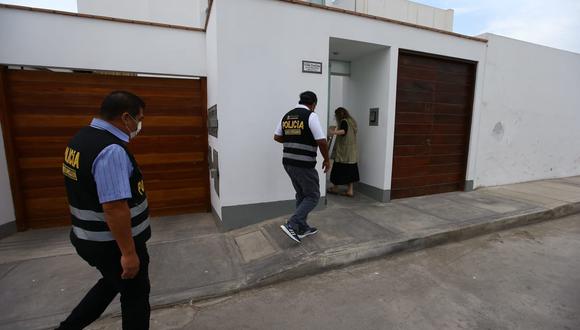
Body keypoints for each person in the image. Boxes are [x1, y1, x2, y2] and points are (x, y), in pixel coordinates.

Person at [57, 91, 151, 330]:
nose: (138, 125)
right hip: (111, 243)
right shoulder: (111, 150)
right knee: (136, 298)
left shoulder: (80, 139)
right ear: (126, 117)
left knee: (112, 283)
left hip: (87, 238)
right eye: (138, 119)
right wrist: (129, 254)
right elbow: (114, 208)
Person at [274, 91, 330, 243]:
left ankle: (302, 227)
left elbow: (277, 137)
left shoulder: (287, 116)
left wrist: (293, 139)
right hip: (303, 163)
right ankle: (292, 224)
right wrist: (327, 159)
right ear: (313, 104)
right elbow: (322, 141)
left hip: (288, 162)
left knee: (301, 194)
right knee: (313, 195)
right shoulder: (311, 116)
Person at [328, 107, 360, 197]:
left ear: (339, 115)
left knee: (337, 170)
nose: (335, 117)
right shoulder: (352, 121)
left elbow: (343, 131)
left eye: (336, 115)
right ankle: (350, 191)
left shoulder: (344, 121)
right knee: (350, 171)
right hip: (351, 152)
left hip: (343, 152)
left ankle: (335, 188)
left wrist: (333, 132)